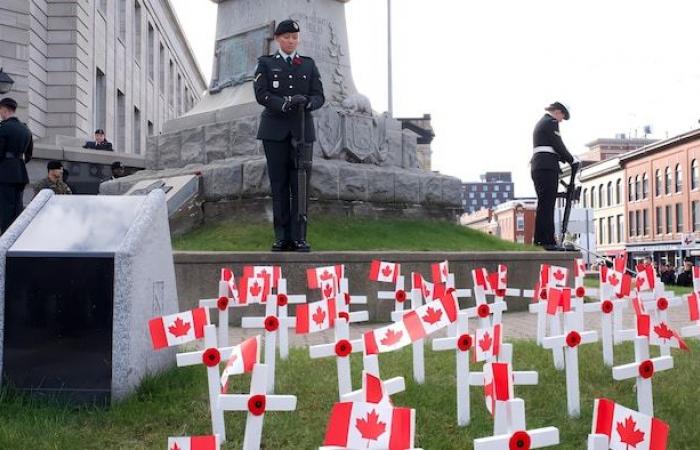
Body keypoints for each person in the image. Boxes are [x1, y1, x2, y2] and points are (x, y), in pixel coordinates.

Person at [254, 19, 324, 252]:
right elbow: (261, 94)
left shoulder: (308, 64)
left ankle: (300, 237)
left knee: (301, 185)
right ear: (277, 39)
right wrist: (283, 105)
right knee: (279, 185)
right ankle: (282, 237)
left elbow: (319, 96)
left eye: (294, 37)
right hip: (274, 132)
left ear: (298, 39)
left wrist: (307, 102)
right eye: (286, 37)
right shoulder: (265, 63)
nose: (291, 41)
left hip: (302, 131)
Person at [531, 101, 580, 250]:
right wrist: (572, 159)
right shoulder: (550, 122)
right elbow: (558, 144)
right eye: (562, 116)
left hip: (542, 166)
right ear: (558, 111)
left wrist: (564, 158)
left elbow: (553, 148)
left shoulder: (543, 123)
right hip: (546, 168)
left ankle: (542, 239)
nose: (561, 120)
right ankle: (547, 241)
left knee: (545, 204)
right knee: (547, 204)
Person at [0, 97, 33, 233]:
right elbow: (29, 154)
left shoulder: (3, 128)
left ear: (5, 109)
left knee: (5, 209)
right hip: (20, 173)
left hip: (4, 173)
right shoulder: (26, 130)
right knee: (17, 208)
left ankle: (5, 240)